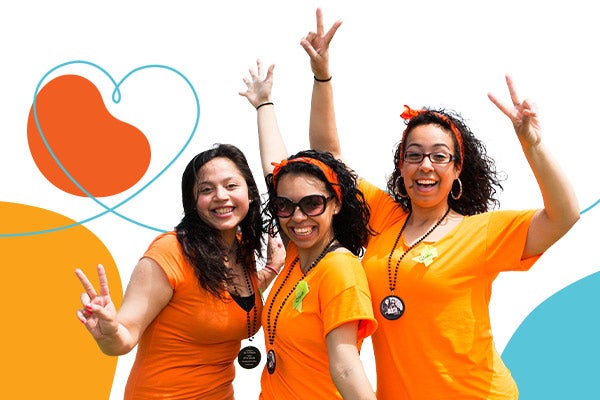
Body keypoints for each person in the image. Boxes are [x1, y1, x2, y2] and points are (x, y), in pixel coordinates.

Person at [301, 8, 580, 400]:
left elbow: (564, 216)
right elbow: (327, 157)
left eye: (438, 156)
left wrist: (532, 145)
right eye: (414, 155)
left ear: (456, 169)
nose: (425, 166)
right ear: (401, 166)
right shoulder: (382, 216)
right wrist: (321, 76)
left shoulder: (481, 231)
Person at [75, 144, 285, 400]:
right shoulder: (170, 252)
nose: (220, 196)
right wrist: (109, 331)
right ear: (193, 201)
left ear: (250, 193)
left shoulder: (241, 250)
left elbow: (227, 298)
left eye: (231, 186)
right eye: (206, 190)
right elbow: (125, 335)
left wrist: (271, 269)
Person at [240, 60, 378, 399]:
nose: (298, 217)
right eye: (285, 206)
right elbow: (275, 171)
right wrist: (263, 105)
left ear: (334, 203)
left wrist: (321, 75)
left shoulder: (339, 269)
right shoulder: (296, 255)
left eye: (312, 204)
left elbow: (346, 366)